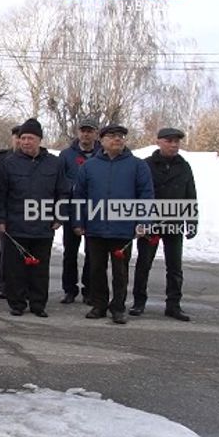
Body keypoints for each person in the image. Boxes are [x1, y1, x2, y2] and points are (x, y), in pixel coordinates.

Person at [72, 124, 154, 324]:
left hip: (123, 229)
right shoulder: (89, 166)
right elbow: (79, 195)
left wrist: (143, 221)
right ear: (102, 140)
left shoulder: (138, 165)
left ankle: (118, 307)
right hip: (95, 228)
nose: (117, 139)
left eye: (121, 136)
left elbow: (146, 195)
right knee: (96, 269)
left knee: (120, 271)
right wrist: (78, 221)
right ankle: (99, 305)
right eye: (112, 136)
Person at [0, 119, 70, 317]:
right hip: (15, 225)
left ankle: (38, 304)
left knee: (39, 268)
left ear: (39, 140)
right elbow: (0, 193)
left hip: (43, 226)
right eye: (23, 138)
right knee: (15, 269)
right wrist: (0, 219)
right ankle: (17, 304)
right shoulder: (8, 163)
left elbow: (62, 192)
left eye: (30, 138)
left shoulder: (54, 163)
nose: (26, 142)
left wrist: (59, 216)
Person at [131, 128, 197, 321]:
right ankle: (138, 302)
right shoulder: (146, 165)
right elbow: (137, 194)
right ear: (158, 142)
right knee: (143, 264)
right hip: (150, 223)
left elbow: (190, 196)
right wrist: (138, 221)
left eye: (176, 141)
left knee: (175, 266)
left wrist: (191, 221)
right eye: (169, 141)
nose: (174, 144)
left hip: (174, 223)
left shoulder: (184, 166)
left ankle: (174, 305)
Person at [58, 117, 101, 305]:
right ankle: (69, 289)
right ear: (78, 132)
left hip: (94, 211)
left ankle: (89, 289)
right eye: (83, 130)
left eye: (90, 131)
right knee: (70, 253)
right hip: (71, 209)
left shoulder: (103, 153)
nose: (86, 134)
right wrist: (75, 186)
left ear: (95, 133)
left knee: (93, 253)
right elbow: (59, 181)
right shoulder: (67, 155)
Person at [0, 125, 20, 299]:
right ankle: (4, 285)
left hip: (25, 212)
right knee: (6, 251)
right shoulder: (1, 158)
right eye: (16, 136)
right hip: (6, 211)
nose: (18, 140)